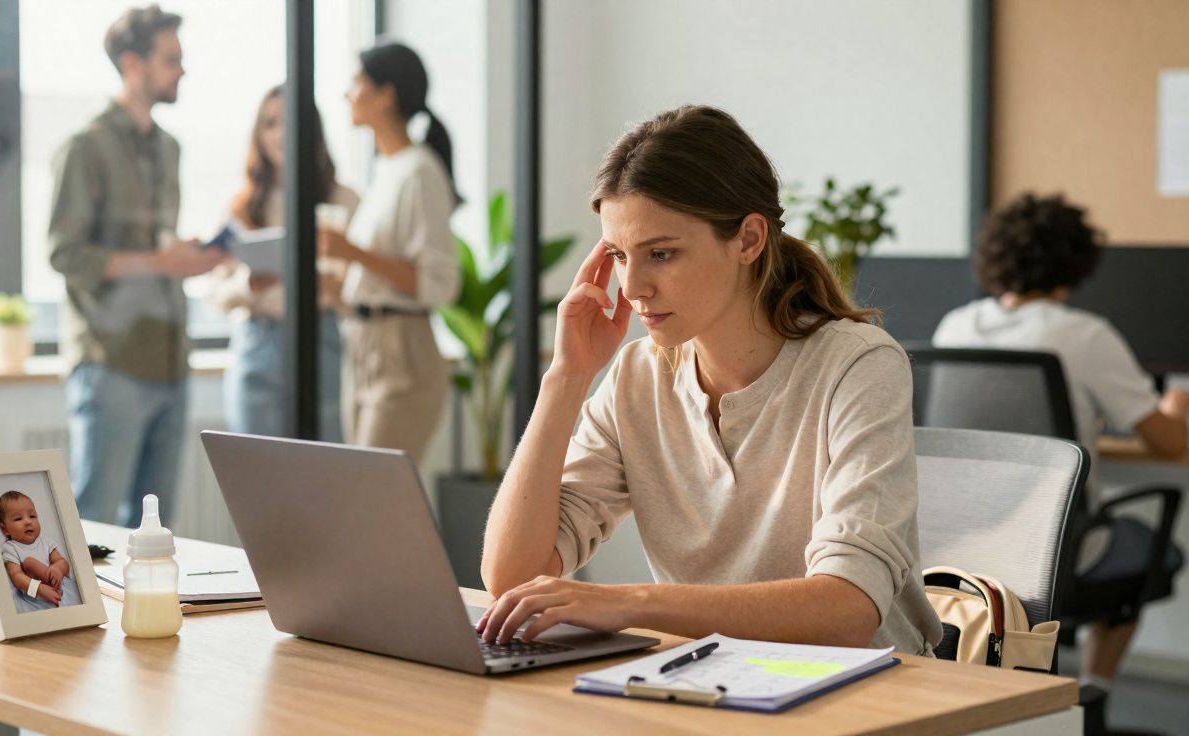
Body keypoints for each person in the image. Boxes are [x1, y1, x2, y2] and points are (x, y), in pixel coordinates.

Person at [478, 105, 943, 655]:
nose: (632, 287)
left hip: (862, 691)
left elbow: (847, 609)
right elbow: (512, 577)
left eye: (662, 254)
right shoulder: (636, 376)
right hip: (707, 685)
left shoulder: (858, 365)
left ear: (748, 239)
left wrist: (631, 603)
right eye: (620, 256)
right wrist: (566, 376)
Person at [932, 193, 1187, 698]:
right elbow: (1167, 440)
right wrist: (1177, 403)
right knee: (1154, 549)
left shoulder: (955, 325)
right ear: (1077, 261)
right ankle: (1092, 692)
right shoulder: (1084, 335)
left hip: (962, 548)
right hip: (1055, 551)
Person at [50, 5, 224, 526]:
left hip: (170, 361)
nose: (182, 70)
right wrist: (160, 261)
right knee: (97, 523)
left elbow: (155, 252)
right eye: (171, 59)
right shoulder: (86, 148)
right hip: (110, 364)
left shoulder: (169, 150)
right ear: (132, 63)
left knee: (154, 531)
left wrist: (185, 256)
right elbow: (66, 254)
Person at [317, 41, 459, 463]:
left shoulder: (420, 171)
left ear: (386, 94)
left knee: (377, 501)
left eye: (357, 82)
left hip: (402, 352)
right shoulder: (385, 171)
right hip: (362, 343)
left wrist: (354, 254)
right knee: (363, 496)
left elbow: (439, 283)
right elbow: (376, 275)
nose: (347, 93)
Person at [209, 86, 359, 439]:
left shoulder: (343, 199)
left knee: (323, 471)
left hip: (320, 338)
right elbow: (216, 293)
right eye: (270, 123)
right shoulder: (241, 206)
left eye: (290, 123)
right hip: (258, 340)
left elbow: (363, 290)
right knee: (254, 472)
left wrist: (333, 287)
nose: (280, 134)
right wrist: (248, 284)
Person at [0, 491, 80, 612]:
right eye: (18, 518)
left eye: (32, 516)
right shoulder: (11, 548)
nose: (28, 521)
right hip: (35, 597)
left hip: (59, 588)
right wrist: (39, 589)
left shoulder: (46, 542)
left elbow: (63, 563)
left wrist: (58, 568)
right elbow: (16, 576)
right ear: (5, 529)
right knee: (29, 563)